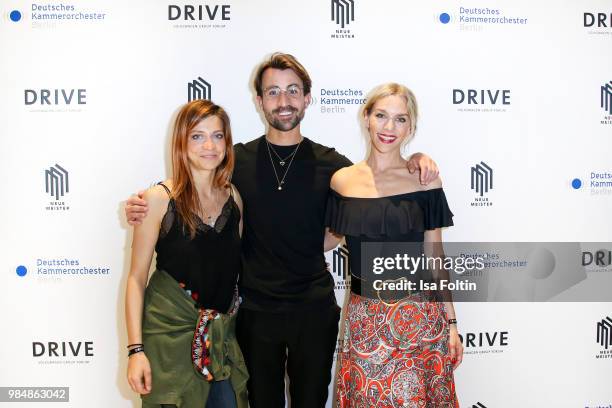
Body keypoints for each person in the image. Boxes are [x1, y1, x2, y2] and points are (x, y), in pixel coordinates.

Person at [126, 53, 440, 408]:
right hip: (254, 314)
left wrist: (417, 159)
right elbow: (191, 186)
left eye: (293, 91)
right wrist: (144, 203)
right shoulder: (234, 162)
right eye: (273, 92)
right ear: (259, 101)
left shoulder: (335, 168)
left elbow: (375, 180)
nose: (284, 100)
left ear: (307, 98)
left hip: (315, 311)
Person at [325, 83, 462, 407]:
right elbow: (325, 240)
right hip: (364, 322)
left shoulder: (425, 180)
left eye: (400, 119)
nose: (389, 127)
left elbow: (435, 255)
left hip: (420, 319)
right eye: (382, 116)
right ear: (367, 117)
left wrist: (452, 323)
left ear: (410, 126)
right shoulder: (342, 181)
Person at [125, 99, 248, 408]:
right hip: (168, 344)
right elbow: (136, 280)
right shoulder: (157, 200)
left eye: (218, 135)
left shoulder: (234, 198)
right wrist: (135, 351)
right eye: (197, 135)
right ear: (182, 141)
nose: (209, 145)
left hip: (220, 345)